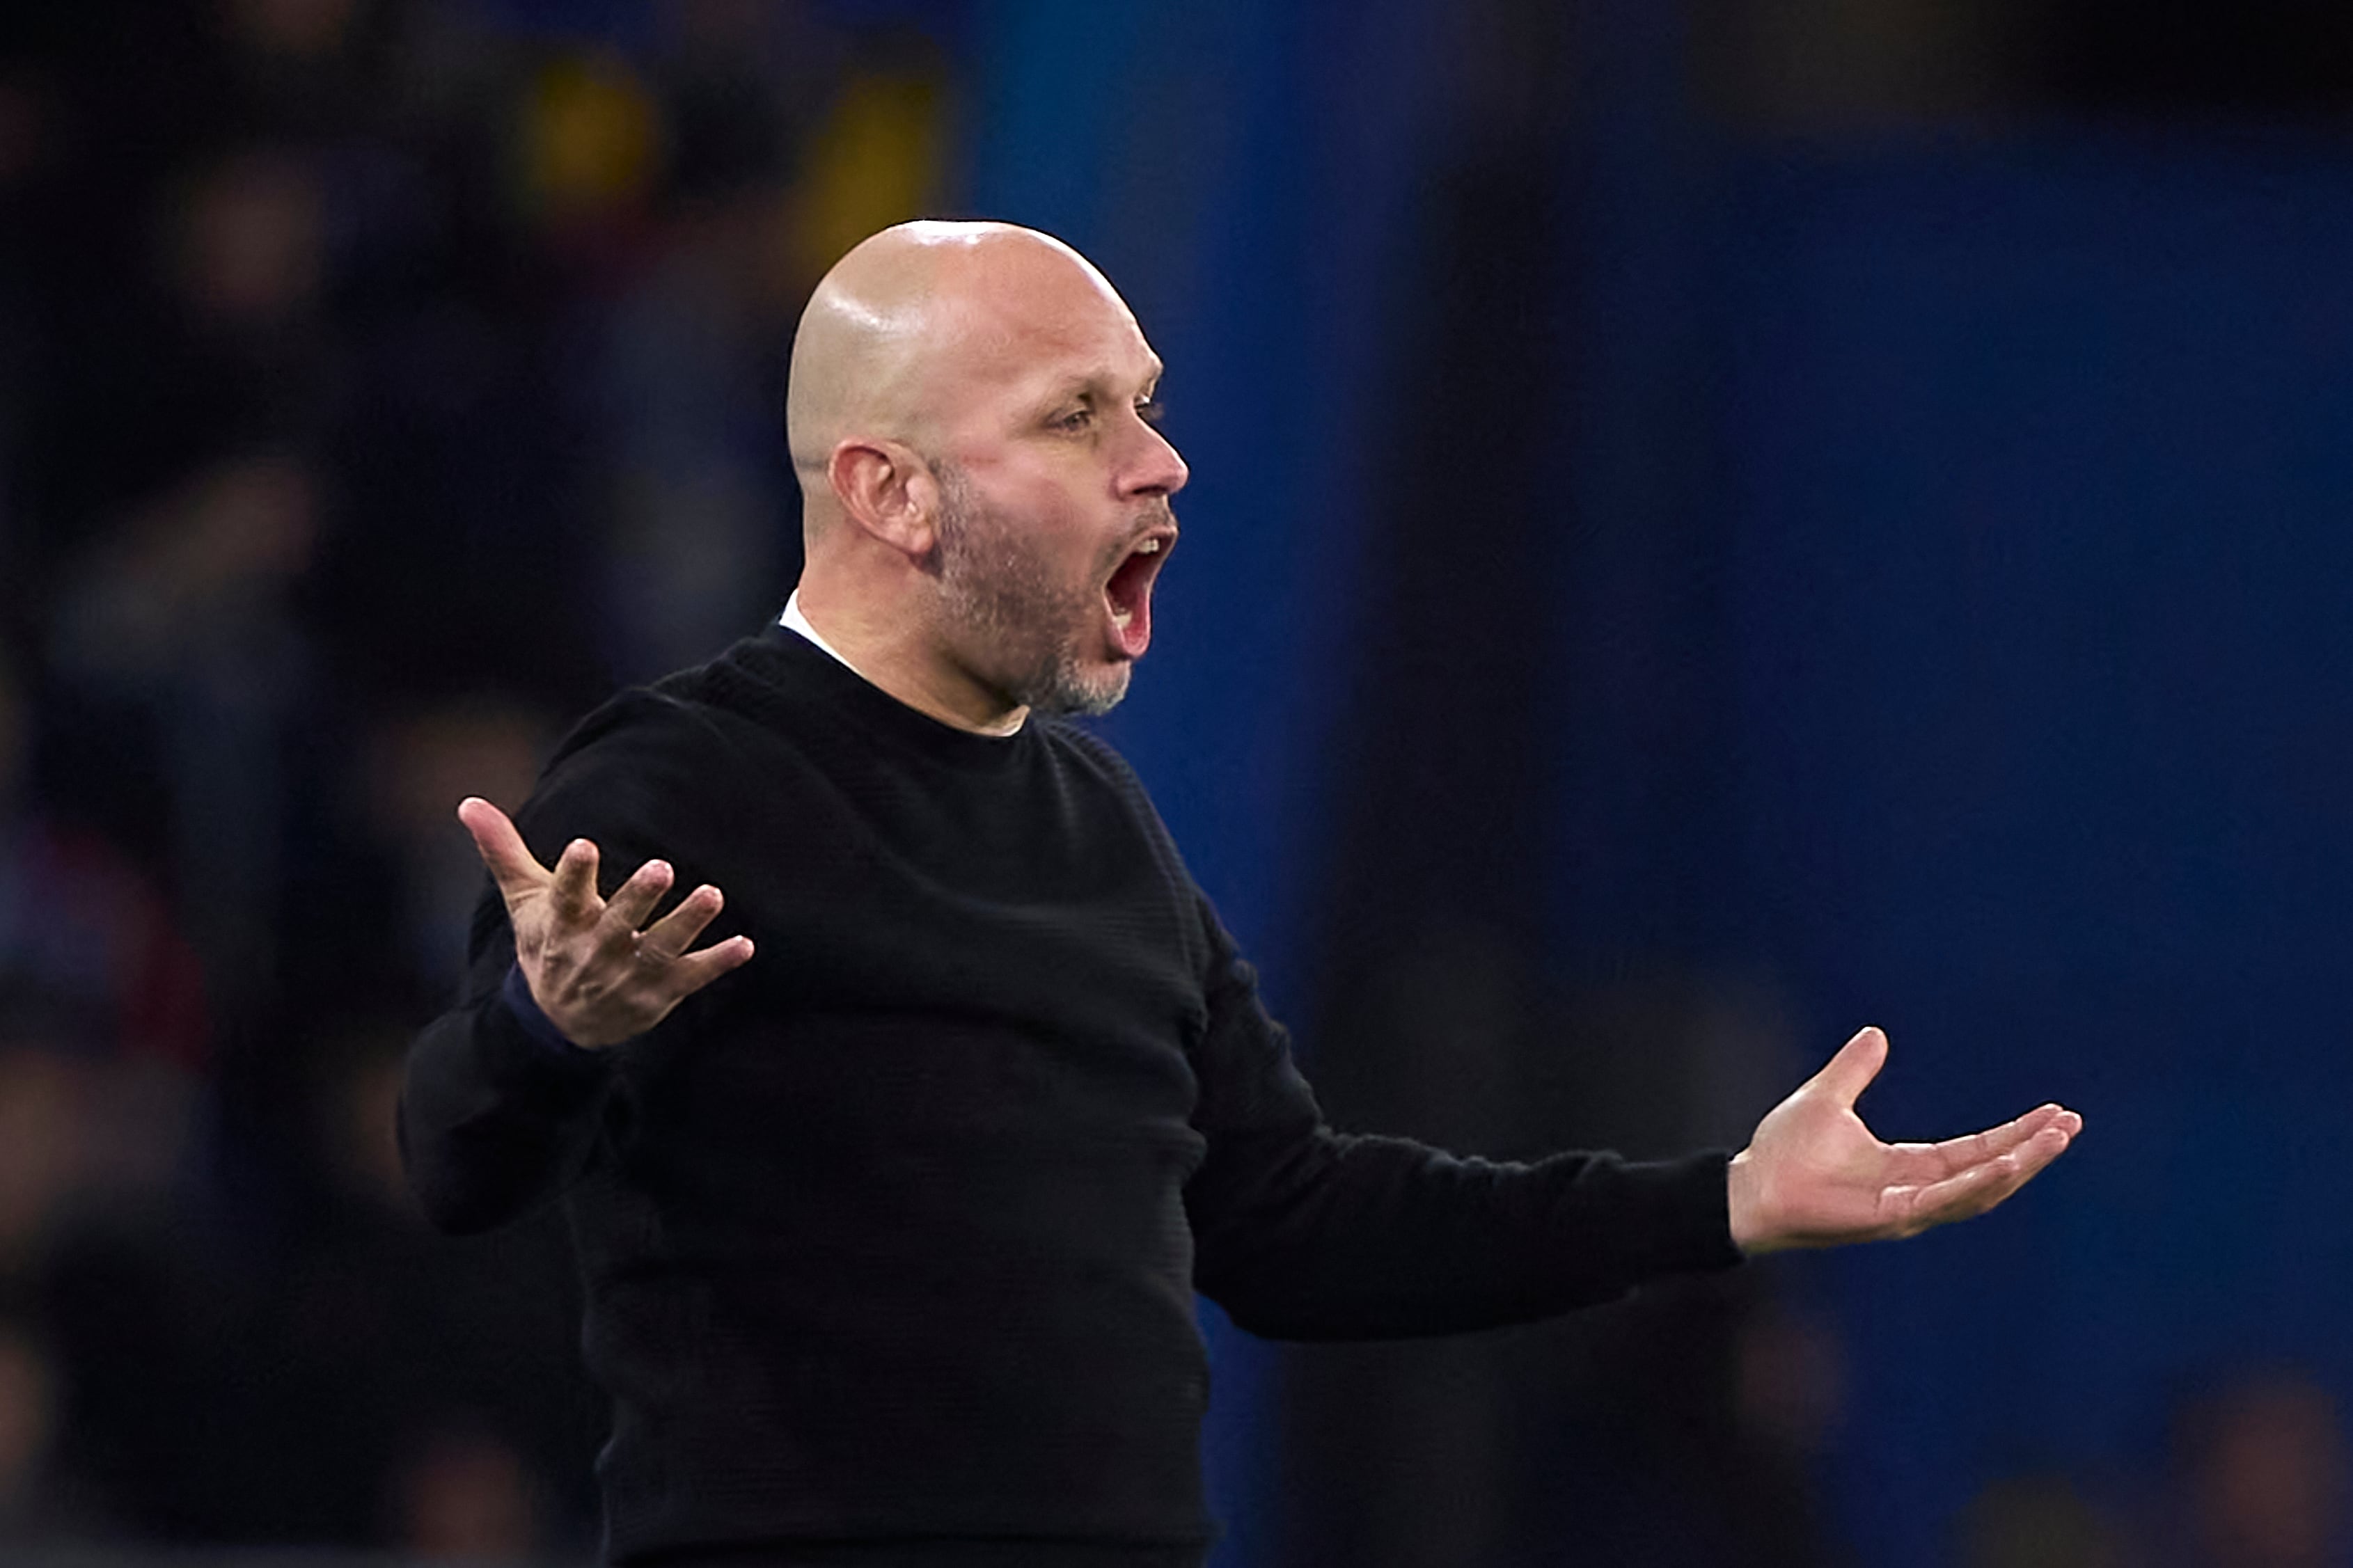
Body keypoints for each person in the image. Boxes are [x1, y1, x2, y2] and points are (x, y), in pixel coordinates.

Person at [399, 220, 2082, 1568]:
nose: (1162, 462)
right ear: (888, 491)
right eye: (1078, 415)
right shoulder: (678, 784)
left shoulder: (1103, 829)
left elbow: (1296, 1223)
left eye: (1143, 401)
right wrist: (547, 1023)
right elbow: (449, 1155)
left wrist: (1722, 1200)